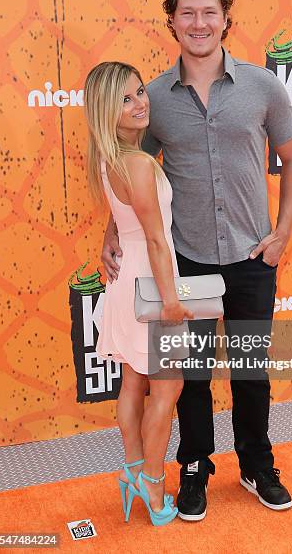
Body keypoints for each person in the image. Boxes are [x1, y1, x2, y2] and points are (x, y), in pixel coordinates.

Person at [101, 0, 292, 521]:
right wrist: (111, 235)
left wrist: (282, 231)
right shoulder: (153, 100)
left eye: (209, 12)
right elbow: (128, 175)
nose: (198, 22)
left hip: (251, 256)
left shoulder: (264, 86)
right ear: (172, 21)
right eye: (187, 12)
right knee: (188, 376)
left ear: (225, 20)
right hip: (184, 260)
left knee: (250, 369)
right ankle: (194, 466)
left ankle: (257, 463)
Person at [84, 61, 194, 526]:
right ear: (108, 110)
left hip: (127, 281)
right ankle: (152, 484)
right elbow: (154, 240)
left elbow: (132, 232)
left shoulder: (110, 160)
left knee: (133, 382)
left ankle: (132, 470)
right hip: (150, 284)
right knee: (168, 390)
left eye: (141, 91)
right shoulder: (138, 163)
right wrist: (170, 302)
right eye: (126, 99)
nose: (140, 103)